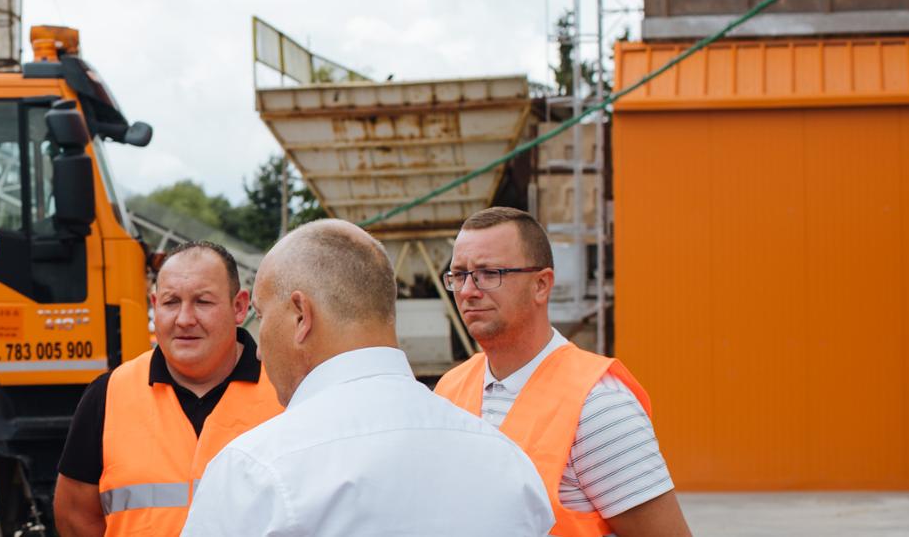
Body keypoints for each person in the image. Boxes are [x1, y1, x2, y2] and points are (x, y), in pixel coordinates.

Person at [184, 220, 553, 537]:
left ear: (301, 316)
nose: (259, 350)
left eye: (262, 317)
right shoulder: (509, 464)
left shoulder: (253, 472)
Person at [435, 207, 692, 537]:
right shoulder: (449, 390)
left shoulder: (599, 406)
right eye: (458, 275)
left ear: (541, 285)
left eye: (489, 273)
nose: (468, 290)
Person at [52, 241, 281, 536]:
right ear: (154, 305)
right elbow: (74, 516)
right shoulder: (108, 395)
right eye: (171, 302)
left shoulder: (286, 392)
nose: (185, 319)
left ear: (239, 307)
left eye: (203, 302)